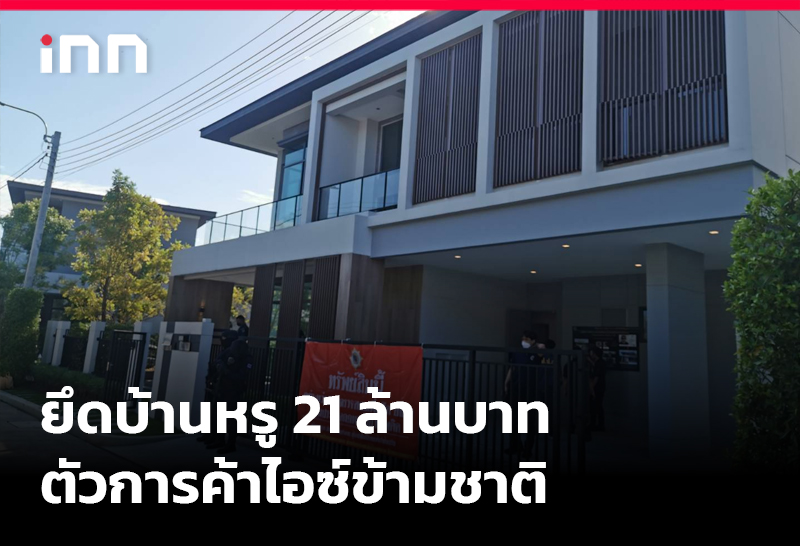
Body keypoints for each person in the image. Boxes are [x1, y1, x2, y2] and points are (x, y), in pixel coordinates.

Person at [206, 337, 250, 454]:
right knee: (220, 416)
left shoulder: (247, 359)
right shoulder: (230, 352)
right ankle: (219, 439)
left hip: (235, 392)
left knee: (232, 419)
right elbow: (218, 359)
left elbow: (241, 377)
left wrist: (226, 371)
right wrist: (221, 365)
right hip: (223, 389)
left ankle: (231, 444)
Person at [504, 330, 545, 458]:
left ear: (533, 341)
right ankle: (515, 445)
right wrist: (506, 383)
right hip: (516, 388)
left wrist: (538, 346)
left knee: (530, 420)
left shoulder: (536, 352)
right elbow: (512, 367)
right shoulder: (518, 352)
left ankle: (528, 448)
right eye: (523, 339)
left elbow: (542, 351)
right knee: (513, 419)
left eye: (526, 339)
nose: (523, 341)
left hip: (531, 389)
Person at [588, 345, 607, 432]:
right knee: (598, 406)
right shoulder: (600, 362)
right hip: (600, 387)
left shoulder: (599, 364)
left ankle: (596, 425)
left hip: (597, 387)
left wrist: (591, 388)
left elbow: (596, 376)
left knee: (595, 406)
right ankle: (599, 425)